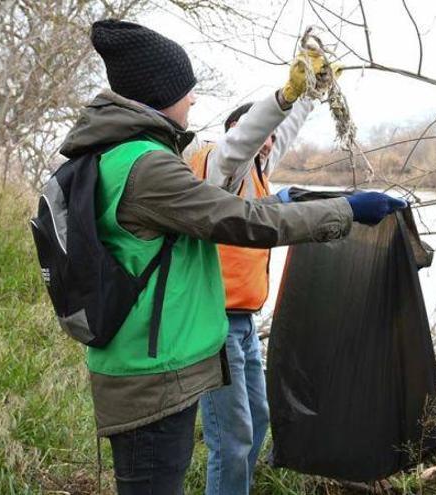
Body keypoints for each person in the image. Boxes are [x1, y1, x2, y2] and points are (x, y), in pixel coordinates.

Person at [64, 19, 405, 494]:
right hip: (155, 370)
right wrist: (345, 208)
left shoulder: (128, 156)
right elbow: (243, 218)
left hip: (168, 356)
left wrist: (306, 97)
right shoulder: (162, 165)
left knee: (245, 427)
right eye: (188, 90)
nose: (194, 100)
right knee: (224, 442)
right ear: (161, 93)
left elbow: (256, 180)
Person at [183, 54, 328, 494]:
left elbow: (275, 136)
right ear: (237, 135)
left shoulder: (259, 173)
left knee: (258, 420)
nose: (266, 145)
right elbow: (245, 142)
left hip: (242, 323)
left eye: (268, 141)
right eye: (257, 138)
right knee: (232, 436)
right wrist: (283, 97)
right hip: (215, 321)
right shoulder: (223, 171)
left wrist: (310, 94)